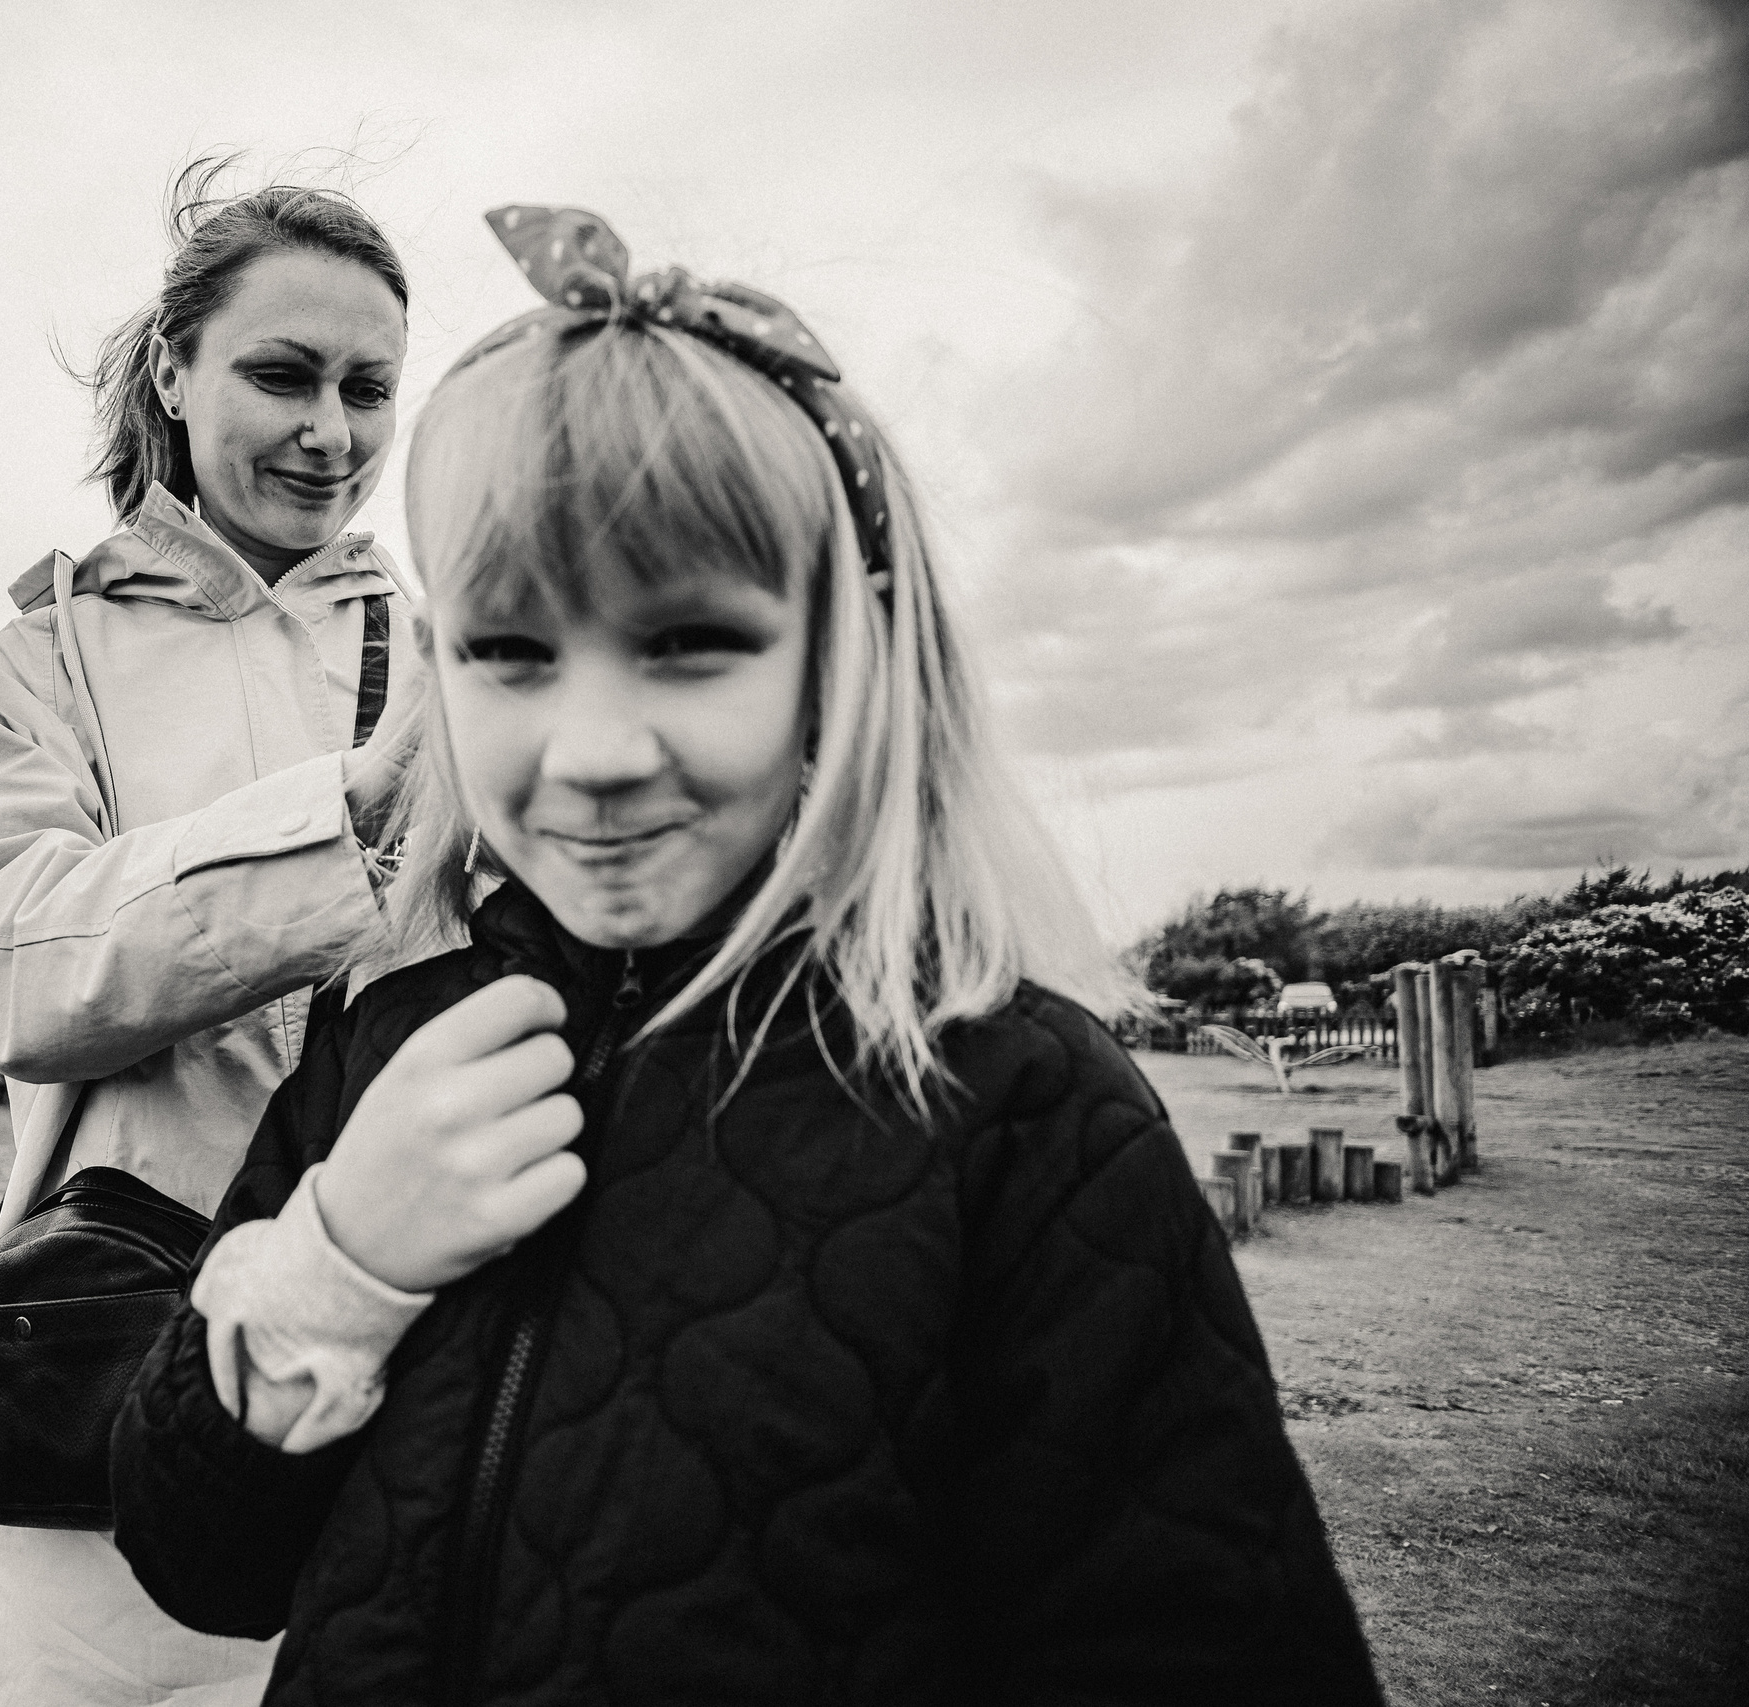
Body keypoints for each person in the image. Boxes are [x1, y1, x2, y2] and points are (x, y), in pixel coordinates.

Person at [110, 207, 1386, 1705]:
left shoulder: (1020, 1108)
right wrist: (342, 1261)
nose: (589, 753)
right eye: (511, 653)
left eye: (690, 646)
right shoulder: (392, 1036)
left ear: (838, 663)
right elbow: (201, 1557)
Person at [0, 163, 421, 1707]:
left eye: (369, 388)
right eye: (282, 373)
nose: (331, 431)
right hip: (115, 1383)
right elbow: (1, 961)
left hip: (417, 1365)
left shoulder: (467, 648)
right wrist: (350, 820)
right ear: (173, 370)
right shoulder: (42, 658)